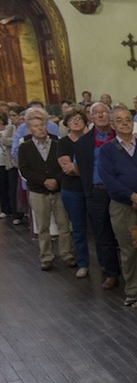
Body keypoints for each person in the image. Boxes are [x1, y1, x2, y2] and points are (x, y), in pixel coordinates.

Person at [99, 106, 137, 306]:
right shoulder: (107, 150)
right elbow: (109, 179)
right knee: (129, 248)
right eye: (119, 120)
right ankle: (132, 289)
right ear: (113, 125)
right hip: (122, 206)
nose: (124, 123)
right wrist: (132, 196)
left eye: (127, 119)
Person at [59, 102, 122, 289]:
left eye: (104, 112)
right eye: (96, 113)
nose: (101, 115)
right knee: (102, 234)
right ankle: (111, 273)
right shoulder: (84, 142)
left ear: (109, 115)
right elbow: (77, 167)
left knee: (125, 233)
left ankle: (134, 272)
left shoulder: (120, 136)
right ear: (91, 118)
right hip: (97, 191)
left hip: (120, 191)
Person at [18, 110, 75, 270]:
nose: (40, 128)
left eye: (42, 125)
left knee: (64, 224)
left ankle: (67, 254)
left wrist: (56, 180)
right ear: (30, 130)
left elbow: (63, 165)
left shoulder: (57, 144)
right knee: (42, 226)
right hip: (38, 191)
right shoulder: (25, 147)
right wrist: (44, 181)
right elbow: (25, 169)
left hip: (58, 189)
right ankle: (46, 256)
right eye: (36, 126)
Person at [56, 109, 91, 278]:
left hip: (91, 188)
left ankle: (106, 264)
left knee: (100, 227)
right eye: (72, 119)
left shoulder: (91, 140)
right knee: (78, 228)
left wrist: (79, 168)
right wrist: (87, 169)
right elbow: (66, 168)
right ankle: (83, 262)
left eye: (79, 119)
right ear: (67, 124)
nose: (76, 122)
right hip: (72, 189)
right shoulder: (63, 143)